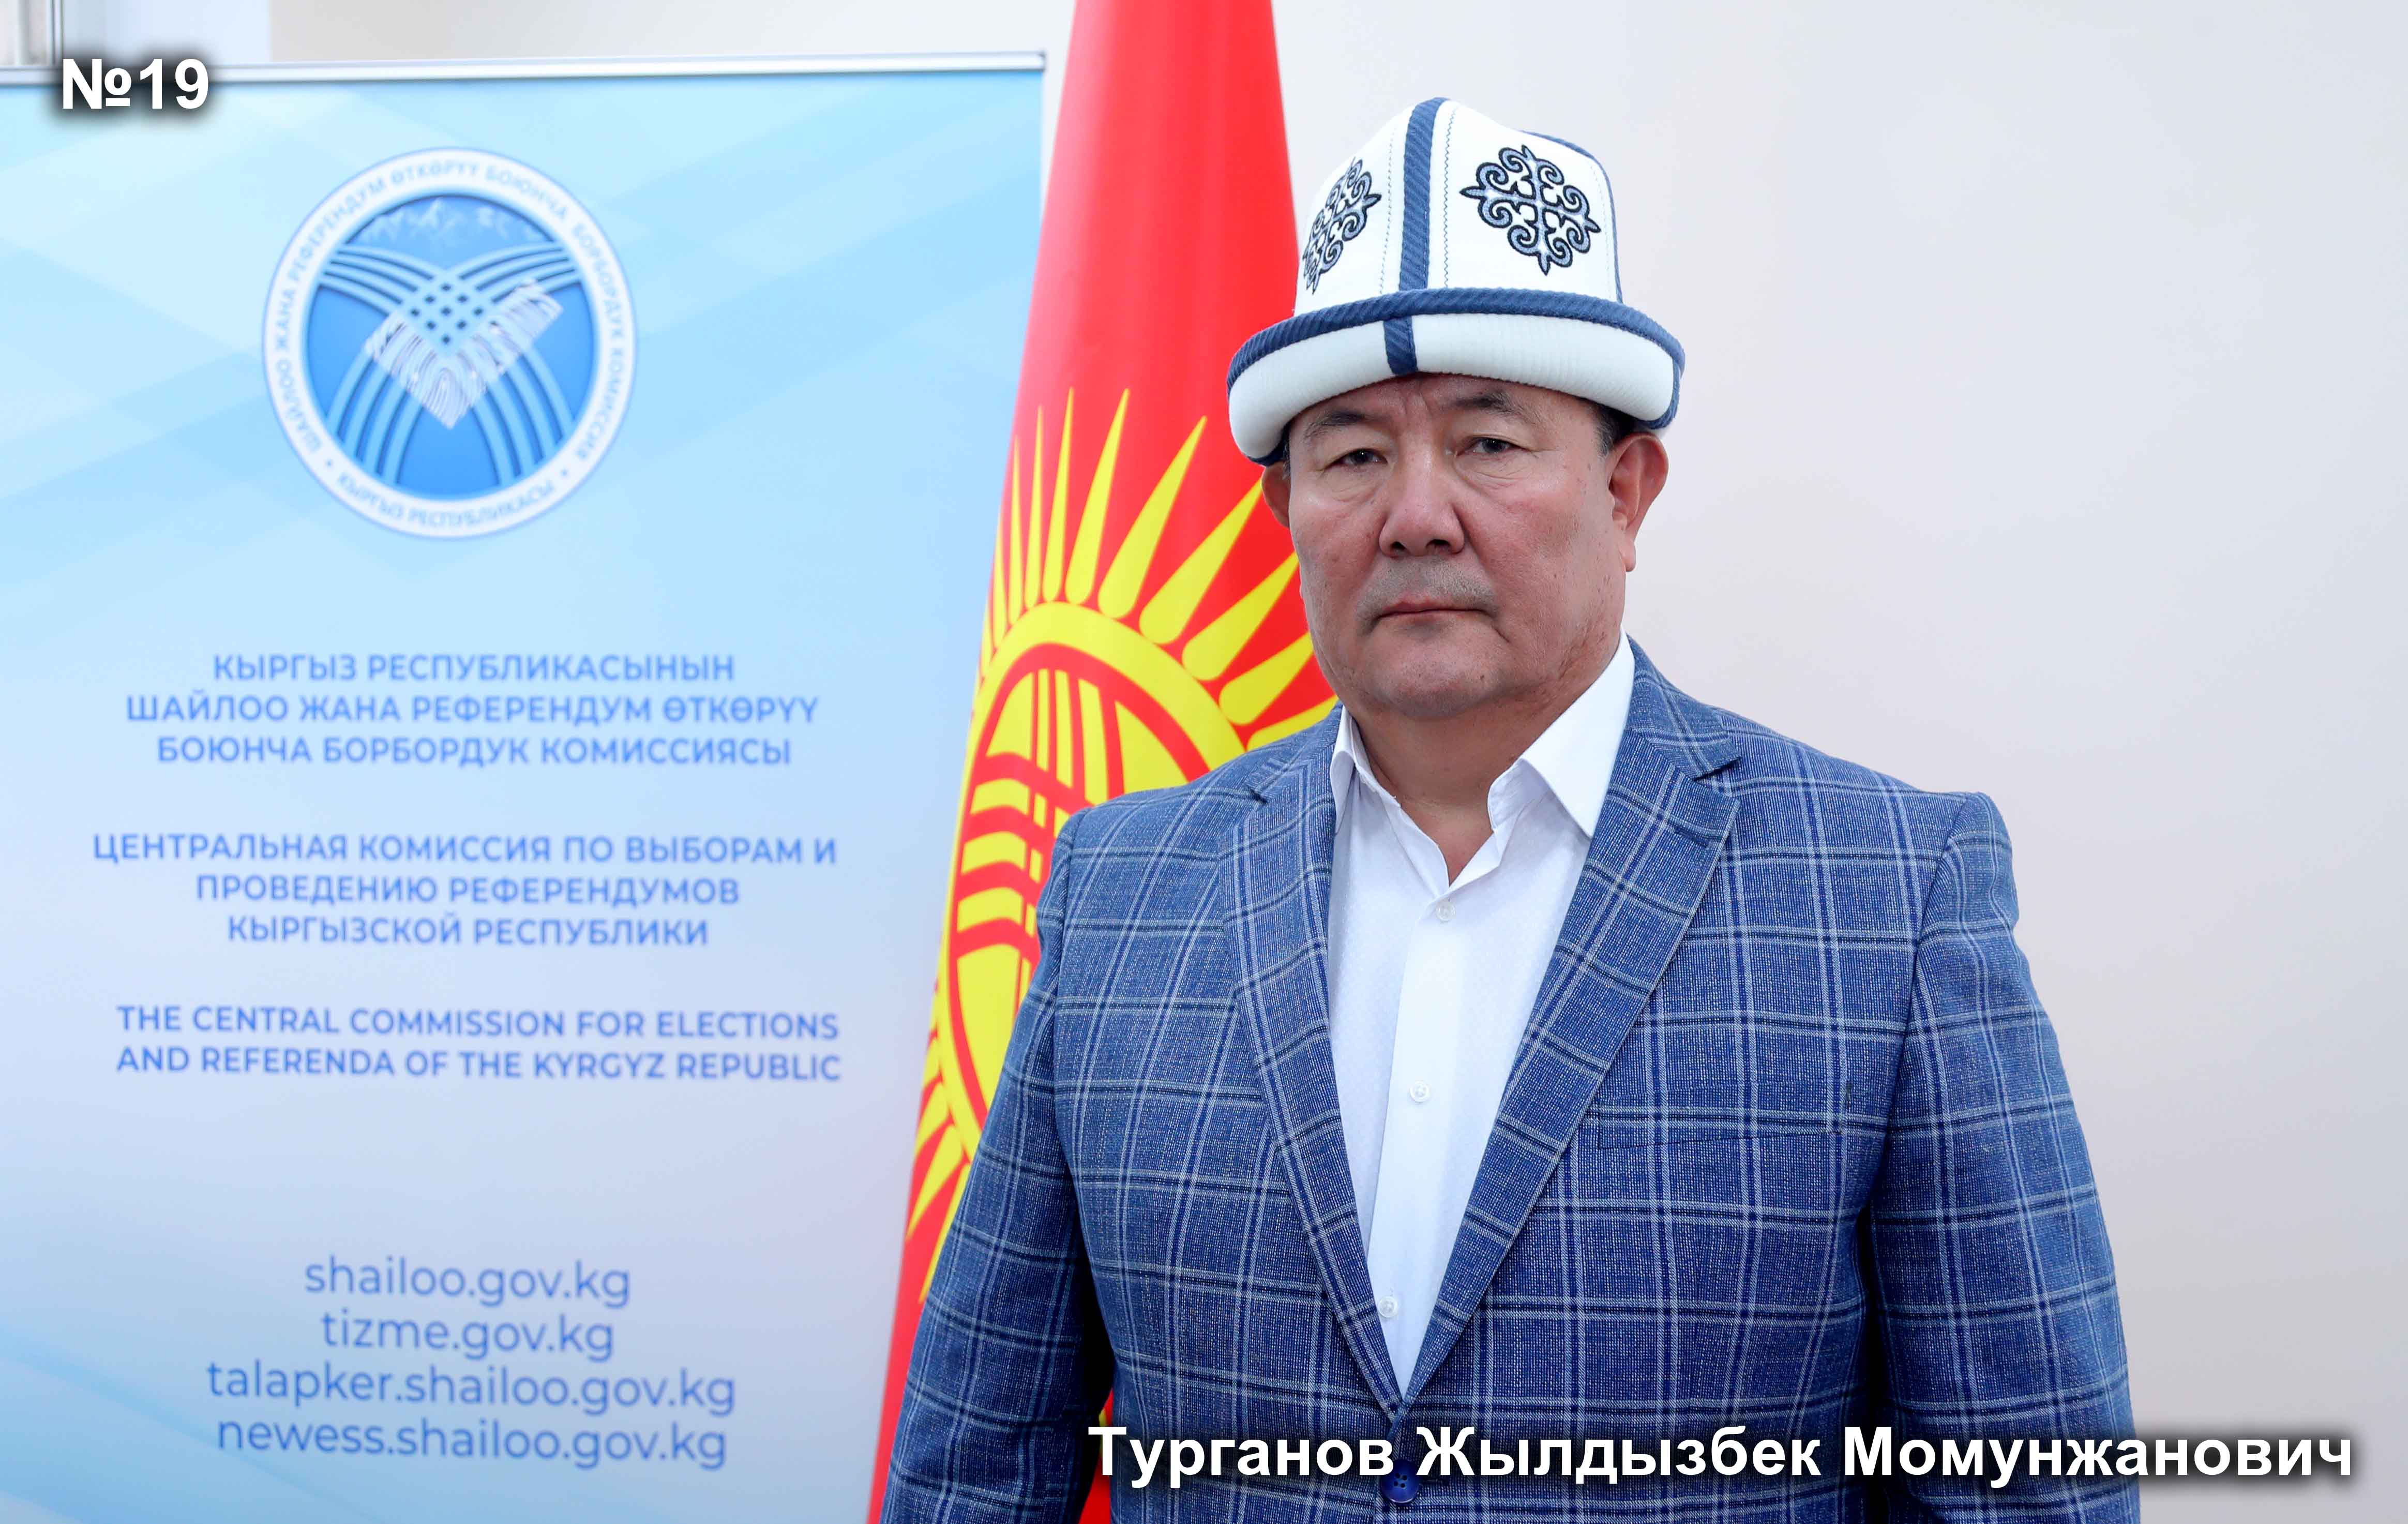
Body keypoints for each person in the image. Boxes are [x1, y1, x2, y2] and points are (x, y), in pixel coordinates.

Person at [883, 98, 2134, 1520]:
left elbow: (2024, 1492)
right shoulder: (1124, 893)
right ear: (1286, 507)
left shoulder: (1886, 900)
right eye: (1353, 456)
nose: (1416, 514)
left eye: (1487, 443)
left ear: (1627, 490)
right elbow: (979, 1461)